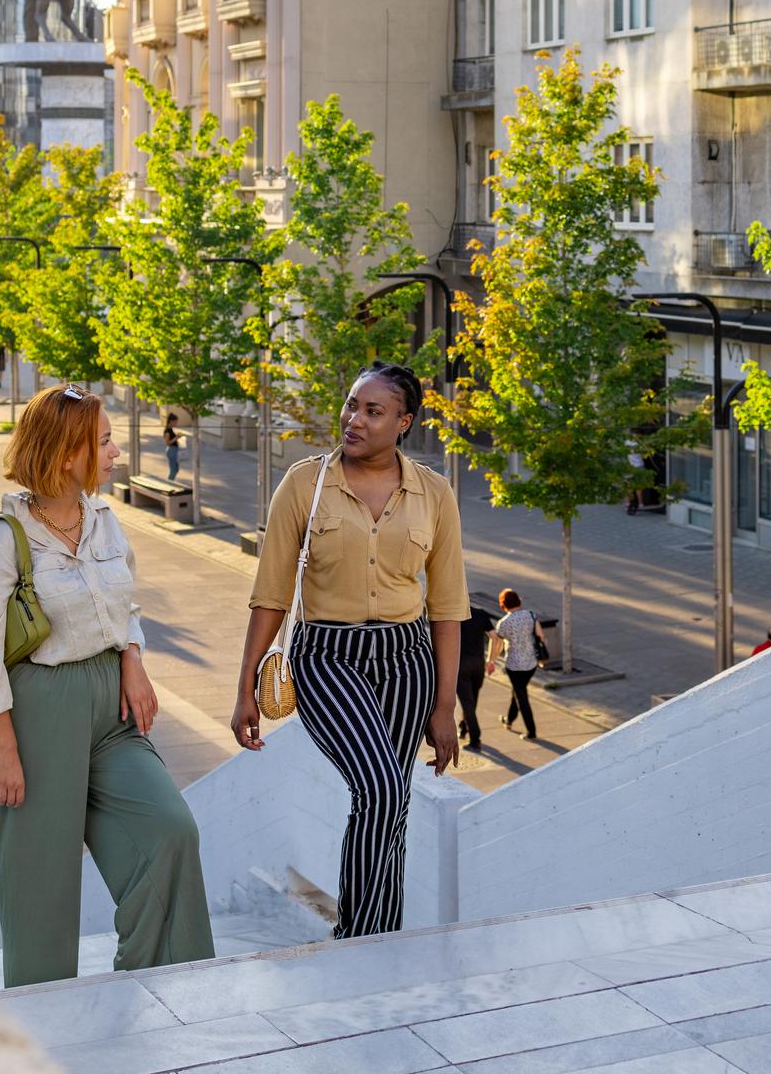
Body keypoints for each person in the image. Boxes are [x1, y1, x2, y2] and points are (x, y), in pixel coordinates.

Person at [0, 384, 214, 988]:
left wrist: (133, 659)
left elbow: (125, 605)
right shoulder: (5, 538)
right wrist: (7, 750)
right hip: (40, 712)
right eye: (103, 441)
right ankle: (46, 1021)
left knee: (169, 831)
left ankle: (163, 987)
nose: (116, 451)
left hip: (112, 704)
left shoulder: (104, 521)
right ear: (67, 452)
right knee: (41, 881)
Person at [231, 361, 467, 940]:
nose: (353, 419)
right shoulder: (305, 483)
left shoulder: (434, 492)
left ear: (404, 422)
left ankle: (381, 937)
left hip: (406, 658)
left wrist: (443, 707)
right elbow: (270, 594)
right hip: (327, 657)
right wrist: (245, 692)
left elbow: (448, 606)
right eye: (351, 405)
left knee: (393, 803)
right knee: (381, 787)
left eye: (372, 411)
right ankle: (358, 937)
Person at [488, 588, 546, 741]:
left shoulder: (503, 623)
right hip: (531, 662)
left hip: (514, 665)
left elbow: (498, 645)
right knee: (518, 691)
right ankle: (508, 720)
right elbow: (541, 635)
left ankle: (531, 731)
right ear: (519, 601)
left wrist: (491, 661)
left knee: (521, 697)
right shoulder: (531, 615)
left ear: (503, 605)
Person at [456, 602, 495, 752]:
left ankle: (475, 738)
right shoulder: (481, 613)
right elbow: (494, 637)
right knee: (472, 701)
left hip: (461, 665)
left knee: (467, 702)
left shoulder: (456, 617)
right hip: (478, 664)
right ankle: (464, 726)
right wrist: (491, 660)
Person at [163, 412, 181, 482]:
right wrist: (176, 438)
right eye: (175, 422)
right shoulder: (167, 431)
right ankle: (169, 482)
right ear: (171, 421)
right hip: (171, 451)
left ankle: (171, 481)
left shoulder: (170, 430)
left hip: (174, 450)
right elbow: (167, 443)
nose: (176, 423)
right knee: (173, 469)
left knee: (176, 468)